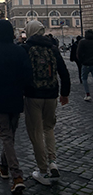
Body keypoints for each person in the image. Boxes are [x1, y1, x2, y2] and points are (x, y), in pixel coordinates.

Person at [0, 20, 32, 194]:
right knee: (10, 134)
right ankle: (3, 166)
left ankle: (17, 175)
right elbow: (27, 74)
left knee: (7, 136)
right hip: (16, 97)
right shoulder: (19, 50)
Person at [21, 20, 70, 185]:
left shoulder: (26, 48)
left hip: (33, 95)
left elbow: (22, 73)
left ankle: (42, 170)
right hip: (51, 95)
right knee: (49, 128)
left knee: (36, 133)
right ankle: (52, 161)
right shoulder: (53, 48)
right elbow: (64, 72)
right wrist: (64, 94)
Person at [77, 29, 93, 101]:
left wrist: (82, 61)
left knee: (84, 79)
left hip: (85, 63)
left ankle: (87, 94)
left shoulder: (82, 42)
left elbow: (79, 53)